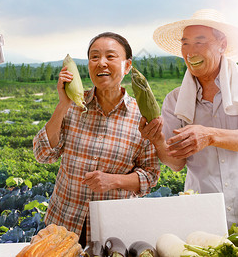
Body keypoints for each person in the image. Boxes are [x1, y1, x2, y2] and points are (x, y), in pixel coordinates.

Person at [140, 9, 238, 228]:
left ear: (222, 44)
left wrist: (209, 135)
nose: (190, 52)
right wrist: (157, 140)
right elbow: (175, 163)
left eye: (199, 42)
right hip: (205, 212)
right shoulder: (174, 100)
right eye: (185, 44)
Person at [32, 32, 160, 246]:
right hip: (62, 225)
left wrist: (114, 181)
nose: (101, 63)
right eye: (94, 57)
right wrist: (63, 103)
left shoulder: (141, 117)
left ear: (127, 66)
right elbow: (43, 154)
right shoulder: (73, 107)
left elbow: (150, 176)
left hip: (111, 234)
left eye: (110, 57)